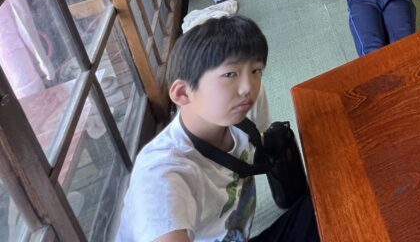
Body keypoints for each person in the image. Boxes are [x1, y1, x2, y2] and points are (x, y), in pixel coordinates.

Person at [115, 16, 320, 241]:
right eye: (230, 74)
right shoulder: (161, 174)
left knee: (332, 197)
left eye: (256, 71)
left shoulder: (244, 106)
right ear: (183, 93)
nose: (248, 88)